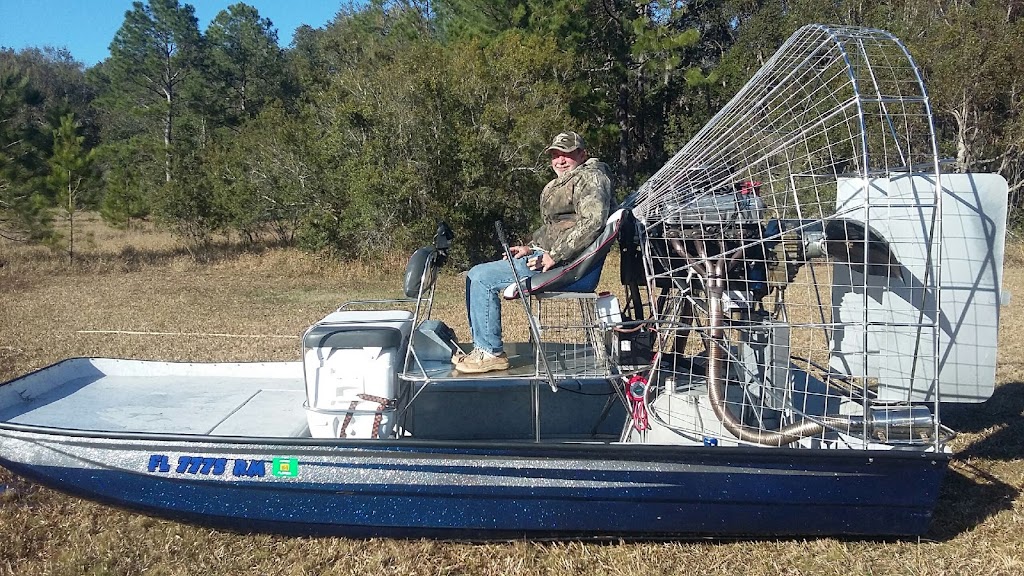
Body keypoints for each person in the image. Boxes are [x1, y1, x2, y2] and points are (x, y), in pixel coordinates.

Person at [455, 131, 614, 374]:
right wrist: (530, 246)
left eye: (567, 154)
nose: (560, 160)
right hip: (547, 257)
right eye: (555, 155)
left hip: (565, 266)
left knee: (482, 278)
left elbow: (592, 223)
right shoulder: (566, 181)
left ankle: (490, 353)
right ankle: (482, 349)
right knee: (474, 273)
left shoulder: (591, 179)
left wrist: (554, 255)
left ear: (582, 154)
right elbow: (557, 227)